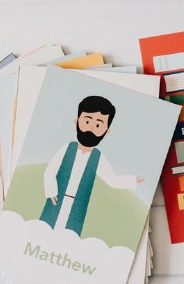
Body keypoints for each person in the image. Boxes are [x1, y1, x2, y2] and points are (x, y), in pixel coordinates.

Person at [40, 95, 144, 235]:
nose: (91, 128)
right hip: (57, 199)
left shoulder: (98, 158)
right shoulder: (67, 148)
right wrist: (51, 191)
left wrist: (132, 181)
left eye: (98, 125)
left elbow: (112, 180)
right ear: (76, 121)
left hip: (78, 206)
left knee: (69, 235)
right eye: (87, 121)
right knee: (45, 229)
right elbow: (50, 171)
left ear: (107, 131)